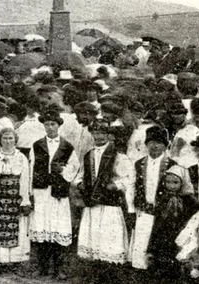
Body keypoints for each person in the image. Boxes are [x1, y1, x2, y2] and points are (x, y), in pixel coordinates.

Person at [75, 119, 133, 281]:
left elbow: (128, 178)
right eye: (96, 133)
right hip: (92, 203)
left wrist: (115, 185)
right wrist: (80, 184)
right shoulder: (88, 155)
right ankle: (95, 273)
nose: (99, 136)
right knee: (94, 237)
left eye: (102, 133)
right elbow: (79, 175)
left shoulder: (118, 156)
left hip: (109, 203)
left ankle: (109, 275)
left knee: (108, 238)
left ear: (108, 135)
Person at [29, 110, 80, 280]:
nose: (50, 127)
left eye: (53, 124)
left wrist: (63, 170)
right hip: (41, 192)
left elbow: (74, 167)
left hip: (58, 193)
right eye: (47, 124)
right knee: (42, 227)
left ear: (58, 126)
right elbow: (31, 168)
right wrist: (31, 190)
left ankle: (59, 268)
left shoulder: (67, 146)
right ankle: (42, 267)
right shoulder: (36, 145)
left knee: (57, 228)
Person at [129, 126, 178, 270]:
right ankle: (139, 269)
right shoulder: (139, 164)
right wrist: (132, 208)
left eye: (159, 142)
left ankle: (158, 269)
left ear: (166, 145)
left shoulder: (172, 164)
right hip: (144, 209)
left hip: (163, 212)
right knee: (142, 240)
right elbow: (132, 187)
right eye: (151, 142)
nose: (155, 146)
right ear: (146, 144)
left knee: (160, 241)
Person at [0, 127, 31, 272]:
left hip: (15, 196)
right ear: (0, 140)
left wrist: (25, 199)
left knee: (15, 226)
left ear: (15, 140)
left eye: (11, 138)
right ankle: (0, 260)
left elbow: (25, 179)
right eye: (5, 138)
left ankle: (15, 259)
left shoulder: (21, 157)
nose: (8, 141)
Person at [147, 165, 199, 281]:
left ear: (183, 183)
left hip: (181, 236)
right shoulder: (164, 199)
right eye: (167, 182)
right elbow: (158, 222)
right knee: (162, 264)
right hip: (164, 236)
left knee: (180, 264)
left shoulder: (190, 201)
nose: (171, 186)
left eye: (175, 183)